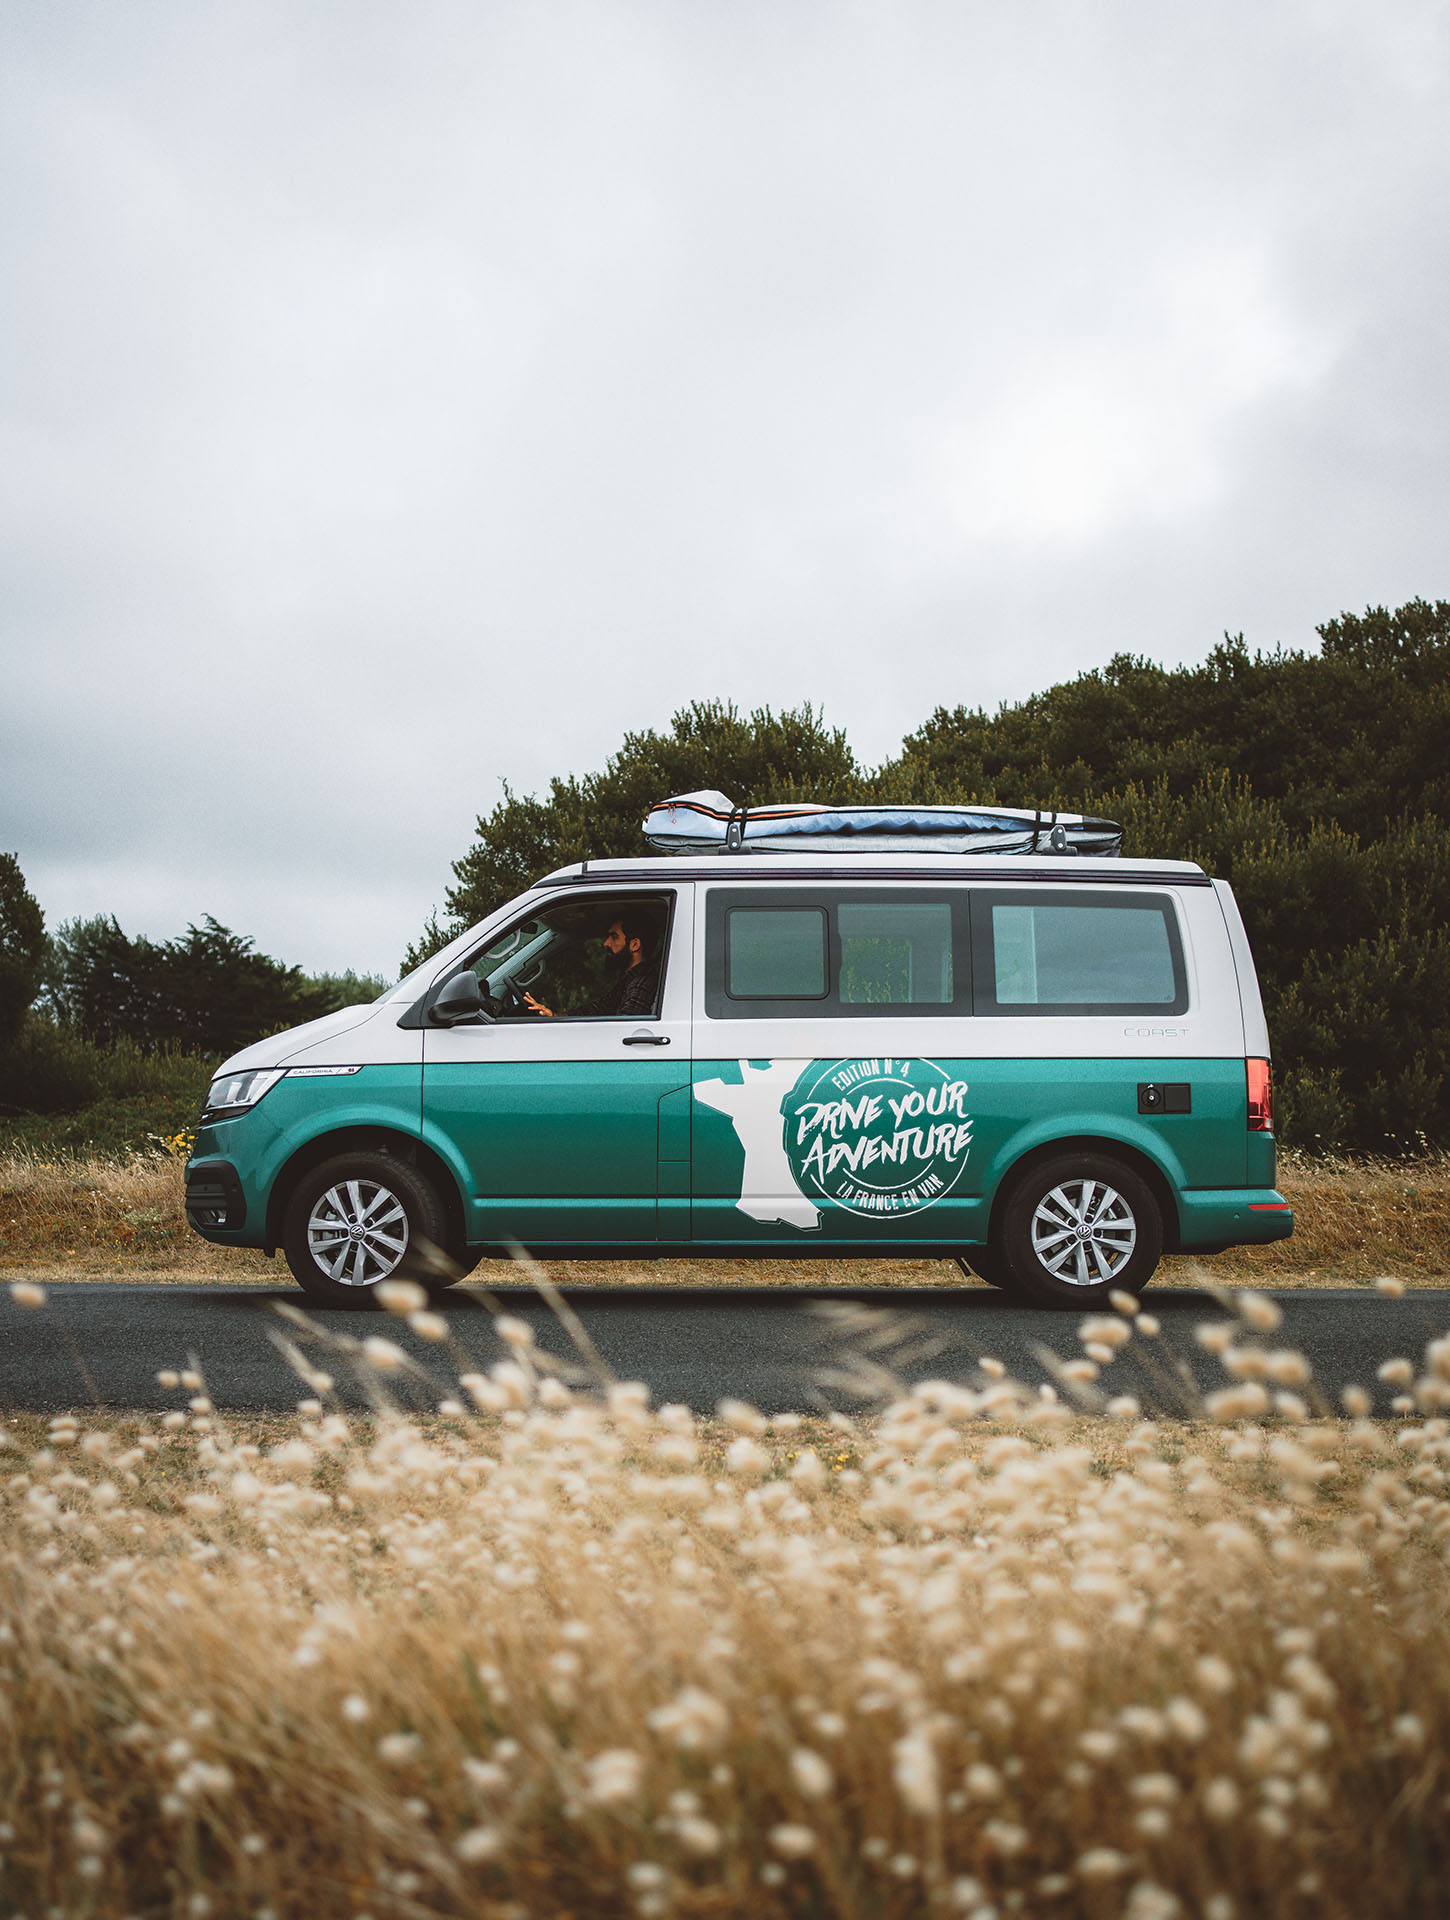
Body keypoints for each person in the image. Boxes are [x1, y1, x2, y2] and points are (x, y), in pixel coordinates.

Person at [524, 912, 661, 1018]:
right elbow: (598, 1008)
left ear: (635, 945)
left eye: (614, 937)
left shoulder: (642, 983)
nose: (606, 943)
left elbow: (625, 1029)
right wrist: (554, 1016)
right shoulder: (629, 979)